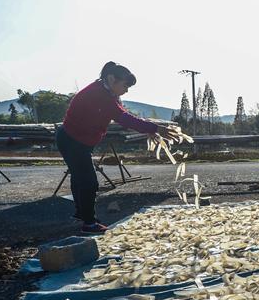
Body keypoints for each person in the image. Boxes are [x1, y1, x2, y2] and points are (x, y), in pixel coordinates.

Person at [56, 61, 178, 234]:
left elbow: (122, 114)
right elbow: (124, 118)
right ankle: (89, 224)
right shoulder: (100, 95)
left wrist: (149, 129)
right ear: (112, 78)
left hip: (75, 139)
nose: (127, 89)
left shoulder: (106, 92)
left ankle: (81, 213)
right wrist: (155, 128)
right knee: (88, 181)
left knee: (79, 177)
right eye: (125, 85)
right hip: (72, 140)